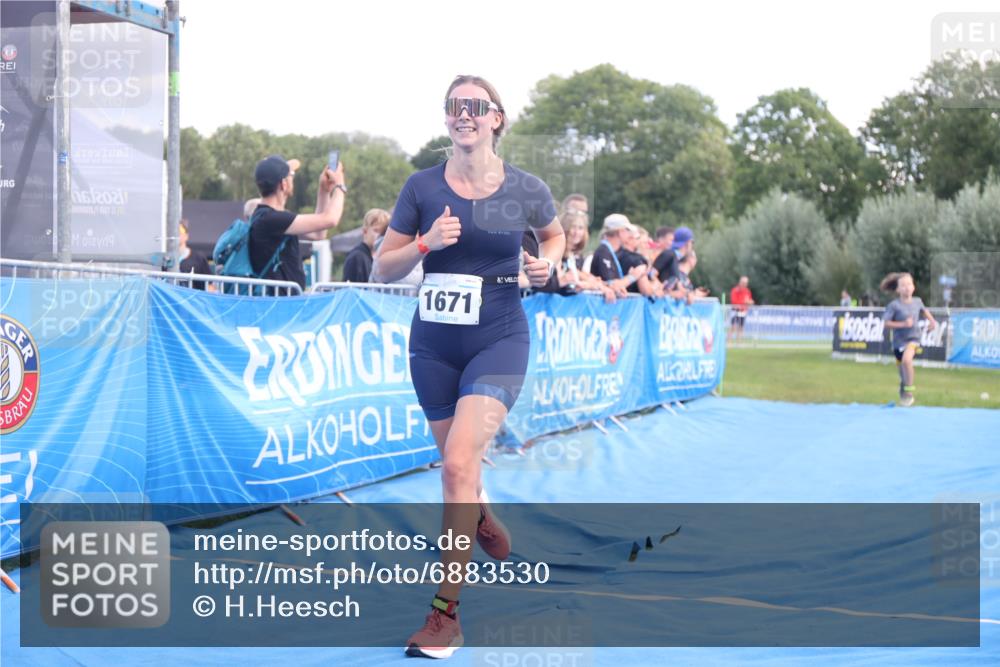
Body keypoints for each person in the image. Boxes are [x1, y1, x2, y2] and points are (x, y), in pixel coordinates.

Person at [371, 75, 565, 659]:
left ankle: (444, 617)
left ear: (496, 118)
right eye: (454, 105)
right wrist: (425, 243)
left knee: (458, 464)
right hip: (433, 347)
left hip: (499, 340)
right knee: (459, 470)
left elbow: (554, 238)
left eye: (475, 106)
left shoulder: (526, 187)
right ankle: (478, 512)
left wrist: (547, 265)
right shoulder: (422, 186)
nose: (464, 114)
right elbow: (383, 267)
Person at [248, 155, 346, 290]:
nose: (292, 179)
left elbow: (318, 234)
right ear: (283, 184)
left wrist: (324, 190)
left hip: (284, 299)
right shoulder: (271, 219)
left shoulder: (269, 217)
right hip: (280, 300)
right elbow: (331, 219)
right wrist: (340, 185)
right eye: (291, 175)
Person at [881, 272, 937, 407]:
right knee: (903, 374)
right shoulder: (894, 305)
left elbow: (925, 311)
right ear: (898, 289)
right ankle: (904, 388)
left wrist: (932, 322)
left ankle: (909, 393)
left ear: (913, 287)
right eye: (903, 285)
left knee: (907, 360)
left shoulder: (918, 301)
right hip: (898, 344)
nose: (907, 287)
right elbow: (886, 323)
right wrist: (903, 324)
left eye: (909, 284)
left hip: (913, 339)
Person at [591, 214, 646, 298]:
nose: (630, 235)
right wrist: (633, 276)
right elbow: (612, 286)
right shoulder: (604, 252)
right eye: (627, 230)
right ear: (620, 232)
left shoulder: (609, 251)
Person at [342, 208, 390, 282]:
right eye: (376, 230)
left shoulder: (380, 258)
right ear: (365, 231)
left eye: (384, 232)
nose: (380, 235)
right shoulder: (357, 258)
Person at [176, 219, 214, 291]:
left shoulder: (199, 258)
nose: (177, 235)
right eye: (174, 232)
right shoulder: (165, 258)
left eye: (179, 232)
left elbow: (210, 286)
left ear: (186, 236)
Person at [729, 275, 754, 341]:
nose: (744, 284)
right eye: (743, 282)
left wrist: (750, 302)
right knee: (733, 327)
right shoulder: (735, 290)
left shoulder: (747, 291)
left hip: (743, 311)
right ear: (740, 282)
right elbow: (733, 301)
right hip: (735, 310)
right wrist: (744, 302)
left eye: (746, 283)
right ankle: (729, 341)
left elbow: (749, 300)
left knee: (741, 327)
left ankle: (739, 341)